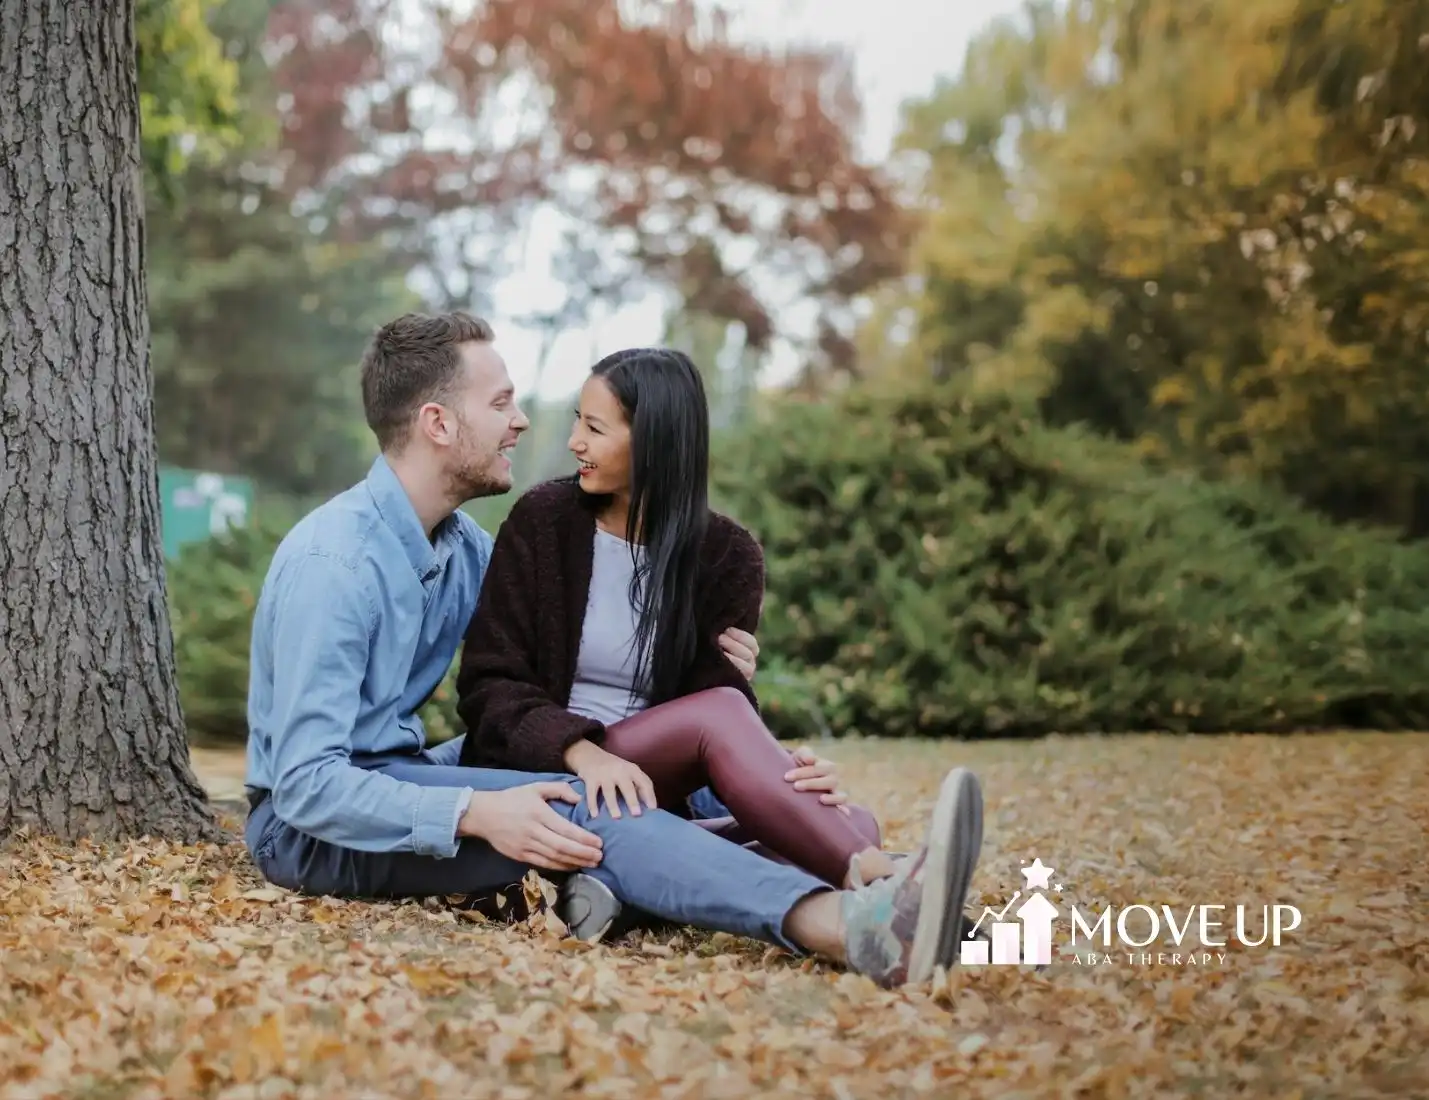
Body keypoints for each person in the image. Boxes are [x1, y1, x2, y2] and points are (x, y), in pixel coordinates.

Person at [242, 311, 986, 989]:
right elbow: (308, 784)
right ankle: (851, 924)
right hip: (309, 830)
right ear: (436, 423)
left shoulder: (461, 550)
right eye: (499, 404)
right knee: (585, 805)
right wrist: (474, 812)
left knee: (608, 804)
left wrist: (745, 727)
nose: (524, 423)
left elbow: (550, 650)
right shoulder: (334, 565)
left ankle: (895, 894)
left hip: (403, 773)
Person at [453, 348, 904, 942]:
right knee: (836, 838)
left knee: (852, 820)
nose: (573, 442)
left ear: (655, 441)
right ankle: (884, 883)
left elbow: (714, 705)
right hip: (550, 772)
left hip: (656, 795)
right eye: (577, 422)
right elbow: (489, 686)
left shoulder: (727, 556)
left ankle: (617, 893)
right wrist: (587, 753)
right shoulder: (544, 521)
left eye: (594, 427)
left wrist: (782, 774)